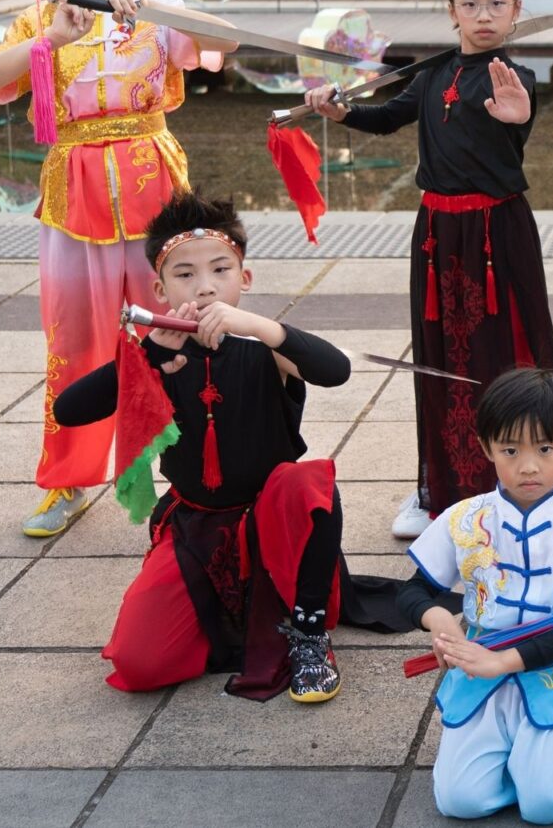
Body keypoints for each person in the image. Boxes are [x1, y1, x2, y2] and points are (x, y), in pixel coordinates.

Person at [53, 192, 400, 701]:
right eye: (185, 274)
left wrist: (261, 328)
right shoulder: (155, 353)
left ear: (245, 278)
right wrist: (146, 358)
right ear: (159, 288)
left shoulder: (266, 350)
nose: (206, 286)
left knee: (307, 482)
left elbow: (336, 370)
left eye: (220, 270)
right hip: (197, 525)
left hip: (275, 517)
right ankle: (226, 619)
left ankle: (308, 632)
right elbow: (70, 411)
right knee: (139, 662)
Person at [0, 0, 237, 537]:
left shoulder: (156, 4)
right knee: (75, 343)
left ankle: (193, 476)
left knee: (175, 331)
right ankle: (67, 482)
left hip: (156, 191)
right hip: (73, 196)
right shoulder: (42, 14)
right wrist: (52, 43)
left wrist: (165, 11)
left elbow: (223, 44)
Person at [306, 0, 553, 539]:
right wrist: (340, 109)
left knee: (505, 351)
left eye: (496, 4)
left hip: (495, 232)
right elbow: (386, 117)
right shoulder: (431, 75)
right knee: (442, 357)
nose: (483, 15)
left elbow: (516, 118)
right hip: (436, 232)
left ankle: (525, 482)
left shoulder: (515, 79)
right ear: (451, 11)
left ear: (515, 11)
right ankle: (444, 485)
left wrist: (518, 118)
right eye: (470, 4)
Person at [400, 369, 553, 822]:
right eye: (511, 450)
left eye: (545, 448)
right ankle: (532, 754)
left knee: (545, 805)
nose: (528, 466)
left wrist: (502, 661)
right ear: (486, 446)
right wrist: (440, 620)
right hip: (480, 670)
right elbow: (414, 592)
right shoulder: (466, 518)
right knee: (459, 801)